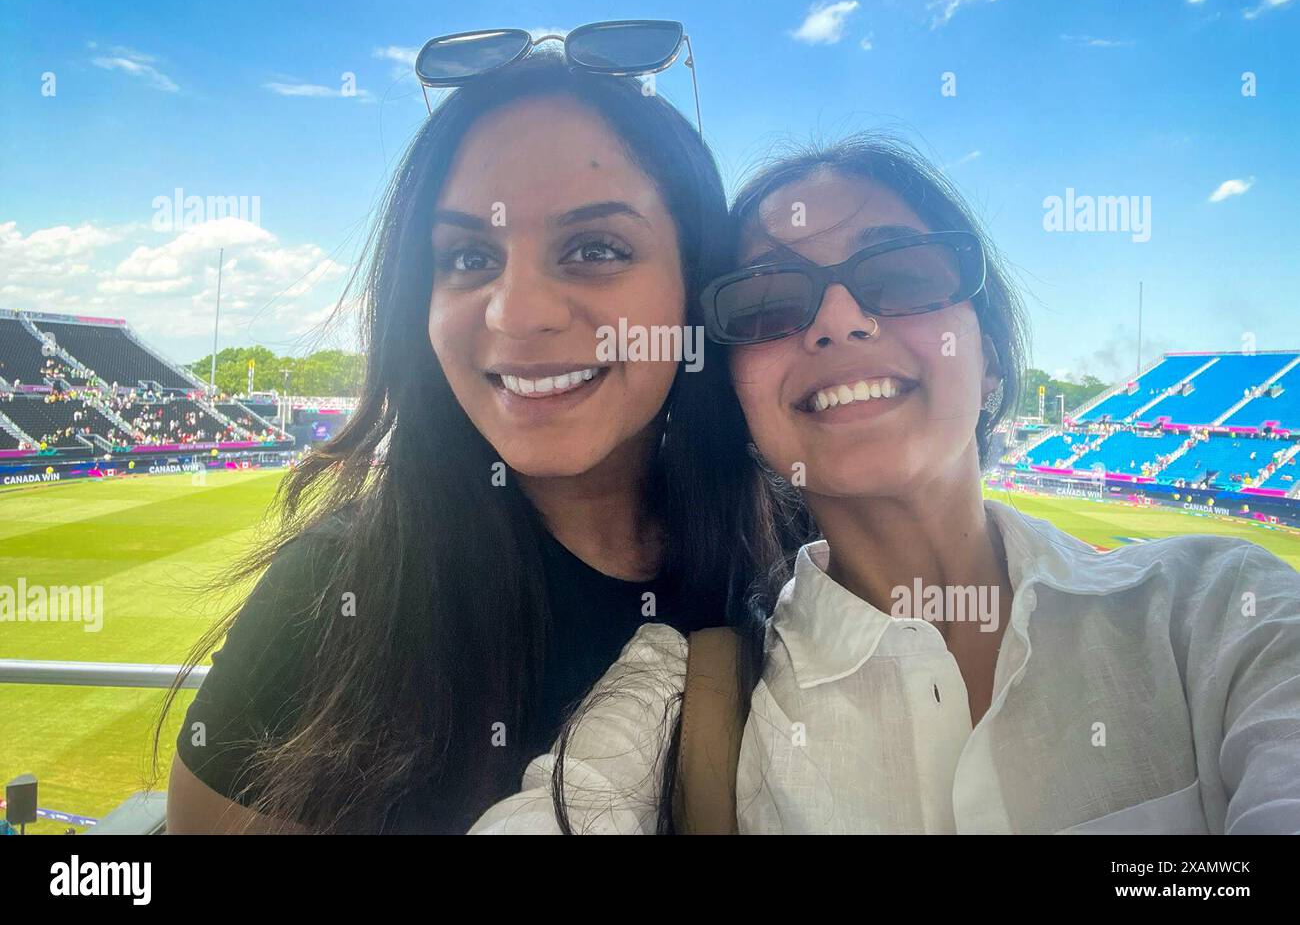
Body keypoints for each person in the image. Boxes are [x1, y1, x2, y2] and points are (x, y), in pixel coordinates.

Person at [473, 135, 1300, 834]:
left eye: (901, 276)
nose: (838, 319)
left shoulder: (1225, 618)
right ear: (736, 398)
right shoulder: (677, 693)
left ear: (990, 363)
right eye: (766, 303)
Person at [160, 48, 797, 834]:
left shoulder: (796, 552)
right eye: (467, 257)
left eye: (595, 247)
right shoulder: (334, 596)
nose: (516, 313)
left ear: (693, 286)